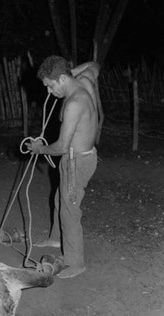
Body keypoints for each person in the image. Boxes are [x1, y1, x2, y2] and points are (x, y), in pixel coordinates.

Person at [26, 55, 100, 279]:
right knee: (60, 200)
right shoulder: (85, 80)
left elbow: (60, 146)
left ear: (60, 79)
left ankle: (75, 263)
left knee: (69, 210)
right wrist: (69, 72)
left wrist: (39, 150)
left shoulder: (74, 103)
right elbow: (94, 65)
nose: (49, 92)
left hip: (75, 161)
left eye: (50, 86)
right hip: (80, 157)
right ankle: (56, 238)